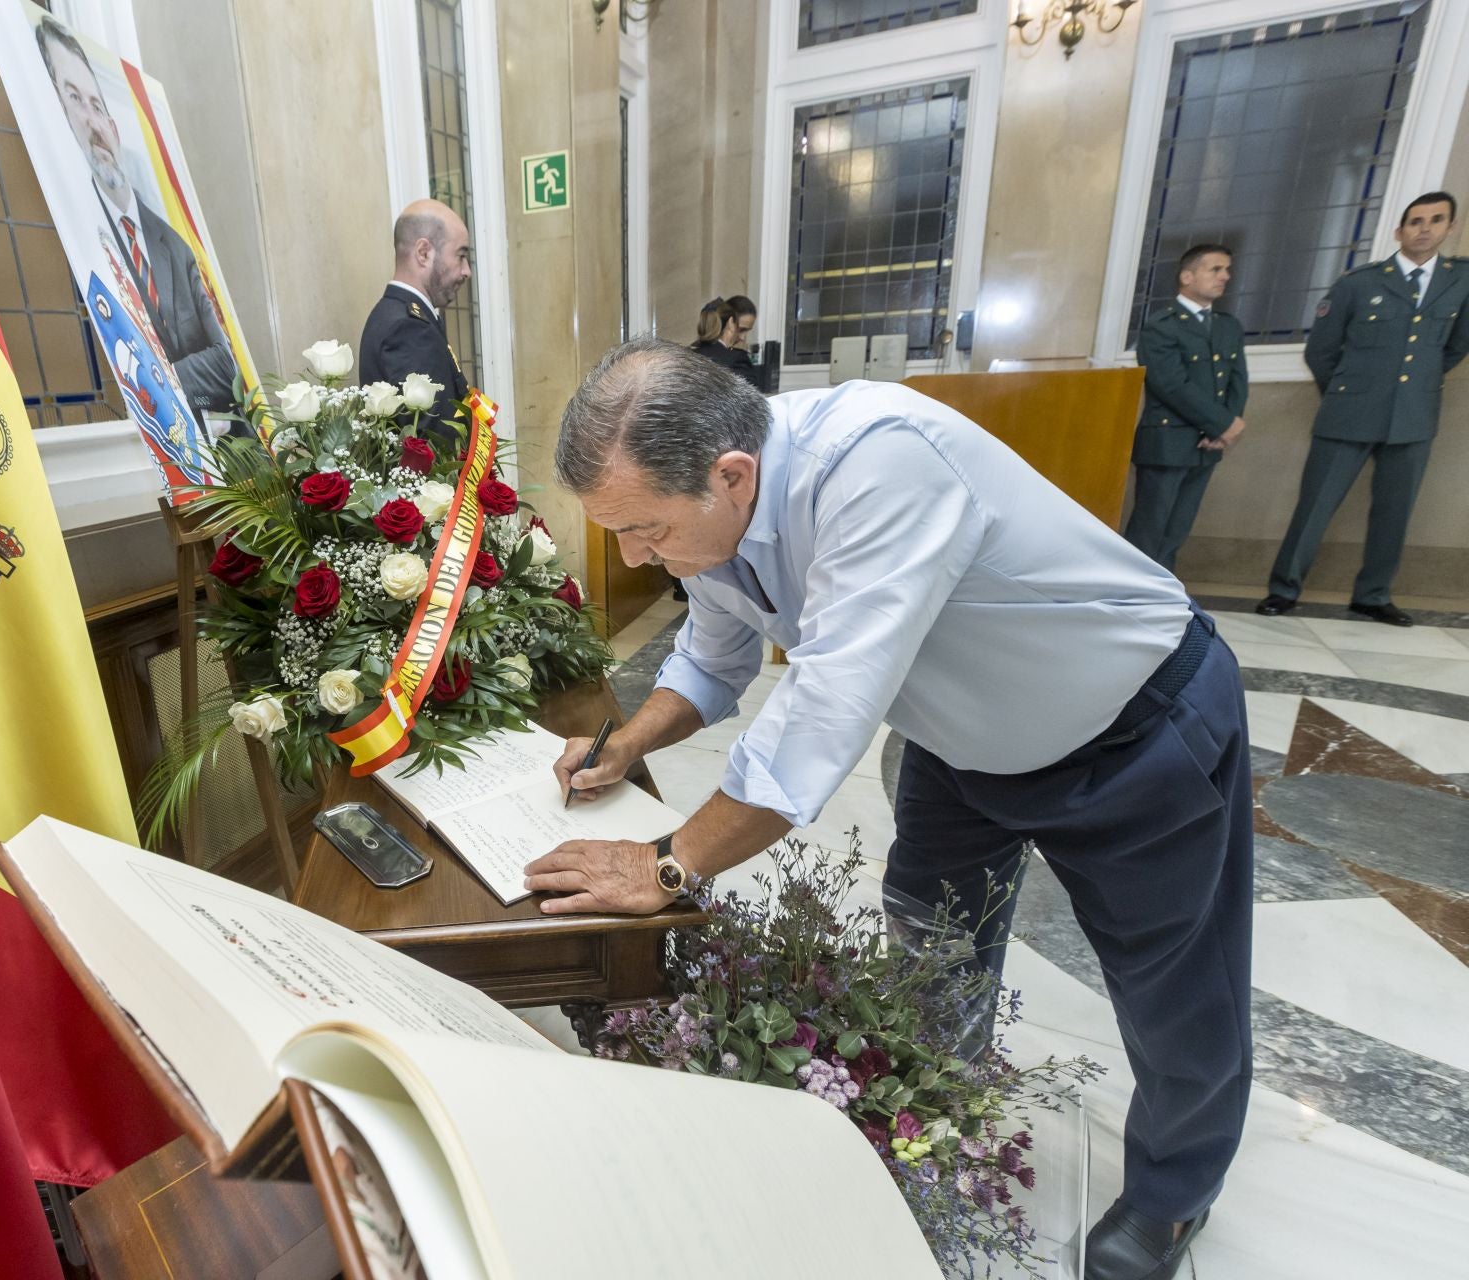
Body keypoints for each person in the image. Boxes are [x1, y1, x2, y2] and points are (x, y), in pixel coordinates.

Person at [529, 338, 1253, 1280]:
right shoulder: (714, 515)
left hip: (1132, 727)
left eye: (644, 530)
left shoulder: (881, 462)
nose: (632, 555)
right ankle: (937, 1107)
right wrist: (630, 741)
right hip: (959, 742)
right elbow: (712, 658)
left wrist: (666, 862)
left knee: (1173, 987)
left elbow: (818, 718)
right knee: (930, 943)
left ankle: (1174, 1192)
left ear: (732, 473)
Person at [1257, 191, 1469, 626]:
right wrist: (1347, 393)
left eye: (1435, 220)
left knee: (1395, 511)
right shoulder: (1359, 283)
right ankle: (1283, 589)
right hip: (1349, 412)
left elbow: (1455, 347)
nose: (1424, 228)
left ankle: (1372, 595)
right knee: (1315, 505)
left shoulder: (1460, 281)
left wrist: (1416, 387)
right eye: (1415, 221)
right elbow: (1322, 351)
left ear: (1450, 227)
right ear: (1399, 231)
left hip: (1412, 416)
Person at [37, 18, 241, 416]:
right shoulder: (81, 250)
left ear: (114, 128)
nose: (93, 123)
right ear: (61, 119)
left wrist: (151, 381)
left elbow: (227, 365)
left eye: (97, 104)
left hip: (220, 443)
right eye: (74, 100)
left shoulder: (176, 247)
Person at [1122, 244, 1249, 571]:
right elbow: (1171, 385)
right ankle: (1132, 594)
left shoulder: (1227, 326)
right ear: (1187, 276)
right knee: (1150, 527)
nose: (1225, 277)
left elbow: (1236, 380)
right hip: (1168, 442)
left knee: (1178, 527)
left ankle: (1162, 593)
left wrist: (1225, 428)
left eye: (1227, 270)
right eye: (1215, 269)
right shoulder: (1162, 326)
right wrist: (1221, 424)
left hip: (1207, 444)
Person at [359, 199, 473, 440]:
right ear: (424, 253)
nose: (466, 271)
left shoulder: (397, 313)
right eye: (460, 255)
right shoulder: (408, 327)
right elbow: (436, 440)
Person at [691, 297, 755, 383]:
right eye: (740, 329)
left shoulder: (688, 356)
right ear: (731, 322)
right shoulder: (737, 360)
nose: (742, 338)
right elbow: (751, 394)